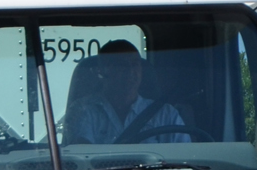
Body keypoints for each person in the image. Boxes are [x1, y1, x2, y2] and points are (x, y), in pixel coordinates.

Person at [60, 40, 190, 144]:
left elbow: (184, 160)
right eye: (121, 65)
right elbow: (82, 161)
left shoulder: (166, 114)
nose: (130, 71)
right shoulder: (83, 110)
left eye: (135, 64)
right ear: (102, 71)